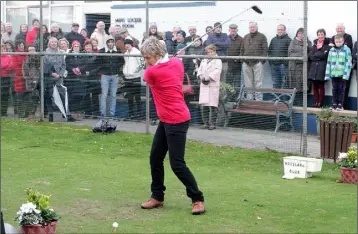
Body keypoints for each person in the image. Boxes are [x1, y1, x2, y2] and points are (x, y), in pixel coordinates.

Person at [139, 36, 205, 215]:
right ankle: (157, 196)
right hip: (167, 119)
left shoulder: (152, 73)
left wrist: (157, 63)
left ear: (157, 54)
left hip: (177, 119)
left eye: (147, 57)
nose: (146, 61)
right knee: (155, 157)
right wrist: (163, 59)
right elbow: (170, 61)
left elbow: (149, 75)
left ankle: (197, 199)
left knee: (177, 163)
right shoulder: (177, 63)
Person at [325, 34, 352, 111]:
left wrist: (346, 75)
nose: (338, 43)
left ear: (343, 41)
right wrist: (327, 75)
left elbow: (348, 63)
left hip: (342, 74)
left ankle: (340, 104)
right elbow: (329, 62)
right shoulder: (331, 50)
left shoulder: (347, 50)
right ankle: (334, 104)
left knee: (341, 89)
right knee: (334, 89)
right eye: (337, 42)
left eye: (340, 42)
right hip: (334, 74)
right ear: (334, 42)